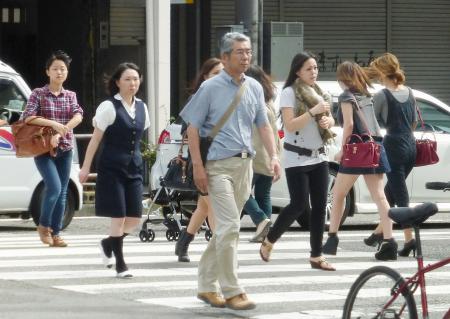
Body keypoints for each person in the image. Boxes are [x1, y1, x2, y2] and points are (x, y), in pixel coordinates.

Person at [180, 32, 281, 310]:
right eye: (239, 52)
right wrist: (198, 167)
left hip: (246, 165)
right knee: (230, 226)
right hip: (217, 166)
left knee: (226, 229)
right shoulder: (210, 88)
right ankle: (233, 290)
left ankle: (205, 284)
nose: (245, 56)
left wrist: (273, 156)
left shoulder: (255, 88)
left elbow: (263, 125)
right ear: (224, 58)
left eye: (248, 51)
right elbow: (192, 128)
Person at [258, 52, 336, 271]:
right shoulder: (289, 93)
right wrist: (313, 112)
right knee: (299, 204)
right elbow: (290, 125)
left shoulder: (320, 93)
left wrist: (328, 121)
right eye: (309, 69)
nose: (314, 72)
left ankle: (316, 255)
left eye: (316, 68)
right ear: (298, 71)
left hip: (319, 155)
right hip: (296, 157)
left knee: (320, 206)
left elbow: (328, 121)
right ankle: (270, 240)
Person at [79, 62, 150, 278]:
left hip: (135, 167)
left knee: (135, 217)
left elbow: (139, 137)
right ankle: (120, 264)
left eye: (136, 79)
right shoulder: (108, 106)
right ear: (117, 82)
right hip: (111, 167)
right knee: (118, 217)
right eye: (127, 79)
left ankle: (108, 243)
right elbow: (95, 139)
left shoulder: (142, 107)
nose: (132, 83)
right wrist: (85, 167)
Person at [322, 61, 397, 261]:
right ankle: (390, 241)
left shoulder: (347, 96)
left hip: (357, 150)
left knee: (338, 194)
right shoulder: (366, 95)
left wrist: (343, 150)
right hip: (375, 148)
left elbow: (349, 125)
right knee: (380, 197)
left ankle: (332, 238)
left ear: (341, 78)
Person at [21, 50, 83, 247]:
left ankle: (56, 233)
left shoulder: (70, 95)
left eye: (63, 69)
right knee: (54, 187)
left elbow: (79, 115)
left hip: (65, 148)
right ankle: (43, 226)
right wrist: (53, 125)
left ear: (67, 72)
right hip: (43, 149)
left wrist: (62, 130)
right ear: (47, 71)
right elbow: (28, 117)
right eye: (55, 69)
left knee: (63, 191)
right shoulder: (38, 94)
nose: (59, 72)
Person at [365, 53, 417, 257]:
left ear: (382, 72)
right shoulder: (410, 92)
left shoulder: (382, 95)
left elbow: (372, 123)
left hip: (393, 146)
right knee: (389, 193)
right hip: (411, 146)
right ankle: (378, 232)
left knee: (400, 196)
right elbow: (413, 122)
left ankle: (410, 240)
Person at [175, 57, 223, 262]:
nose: (220, 78)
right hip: (203, 158)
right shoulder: (199, 98)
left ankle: (183, 242)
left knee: (205, 205)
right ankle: (220, 249)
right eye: (215, 74)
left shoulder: (228, 98)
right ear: (205, 77)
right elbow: (186, 129)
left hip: (224, 158)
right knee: (213, 205)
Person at [243, 65, 281, 243]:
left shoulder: (249, 104)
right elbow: (275, 133)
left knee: (241, 192)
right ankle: (265, 232)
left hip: (252, 157)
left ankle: (260, 220)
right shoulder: (269, 103)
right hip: (269, 156)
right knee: (263, 194)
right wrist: (277, 157)